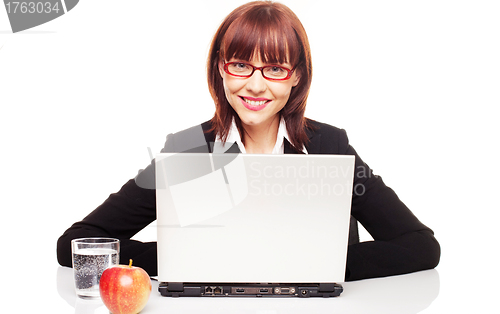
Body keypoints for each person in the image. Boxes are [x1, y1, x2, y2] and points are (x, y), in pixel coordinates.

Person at [57, 1, 440, 281]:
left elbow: (420, 246)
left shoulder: (329, 146)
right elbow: (74, 244)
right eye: (240, 65)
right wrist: (181, 259)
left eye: (274, 68)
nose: (254, 85)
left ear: (296, 77)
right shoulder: (188, 149)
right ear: (221, 68)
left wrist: (322, 264)